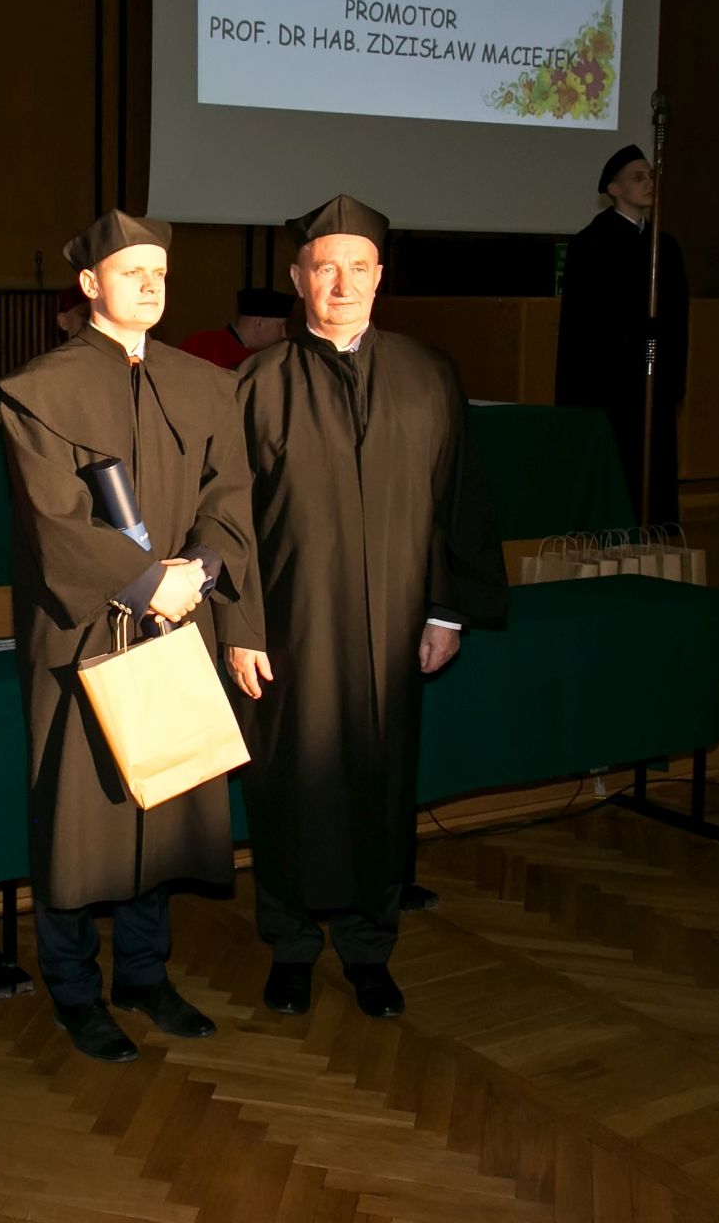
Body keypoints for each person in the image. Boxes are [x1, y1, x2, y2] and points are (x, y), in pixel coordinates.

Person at [220, 194, 507, 1021]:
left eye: (357, 268)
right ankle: (290, 946)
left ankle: (369, 946)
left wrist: (446, 612)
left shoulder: (428, 375)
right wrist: (240, 627)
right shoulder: (254, 384)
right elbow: (225, 520)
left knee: (380, 786)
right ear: (297, 279)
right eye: (325, 268)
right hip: (291, 629)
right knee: (287, 784)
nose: (341, 284)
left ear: (381, 277)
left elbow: (458, 500)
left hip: (394, 628)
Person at [0, 211, 257, 1063]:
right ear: (89, 283)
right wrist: (147, 581)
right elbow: (53, 520)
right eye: (130, 270)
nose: (149, 285)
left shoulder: (205, 382)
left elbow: (231, 496)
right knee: (81, 817)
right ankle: (74, 990)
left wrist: (199, 571)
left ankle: (144, 974)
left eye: (159, 272)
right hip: (82, 628)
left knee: (163, 798)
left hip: (181, 616)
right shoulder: (40, 389)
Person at [556, 143, 689, 524]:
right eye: (638, 177)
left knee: (652, 469)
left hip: (653, 379)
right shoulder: (591, 244)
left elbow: (678, 320)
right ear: (614, 189)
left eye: (651, 176)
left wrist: (671, 376)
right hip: (609, 385)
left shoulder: (665, 246)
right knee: (617, 472)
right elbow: (584, 325)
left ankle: (652, 533)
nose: (649, 183)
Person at [180, 287, 293, 370]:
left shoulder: (271, 358)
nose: (284, 334)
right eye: (281, 326)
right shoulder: (198, 346)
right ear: (259, 323)